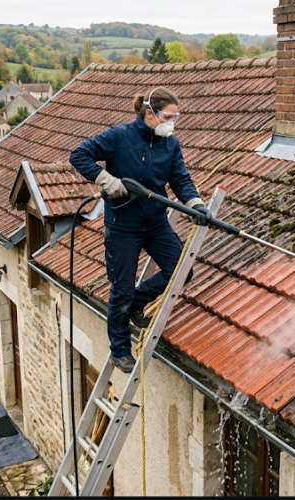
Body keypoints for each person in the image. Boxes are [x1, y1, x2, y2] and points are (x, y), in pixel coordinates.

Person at [69, 87, 211, 373]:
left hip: (155, 222)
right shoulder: (119, 137)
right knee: (120, 289)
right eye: (169, 117)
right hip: (123, 226)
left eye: (176, 117)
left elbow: (181, 180)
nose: (173, 124)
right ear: (150, 114)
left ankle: (139, 300)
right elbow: (79, 154)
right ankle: (120, 349)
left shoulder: (170, 144)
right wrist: (106, 179)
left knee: (182, 270)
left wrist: (195, 203)